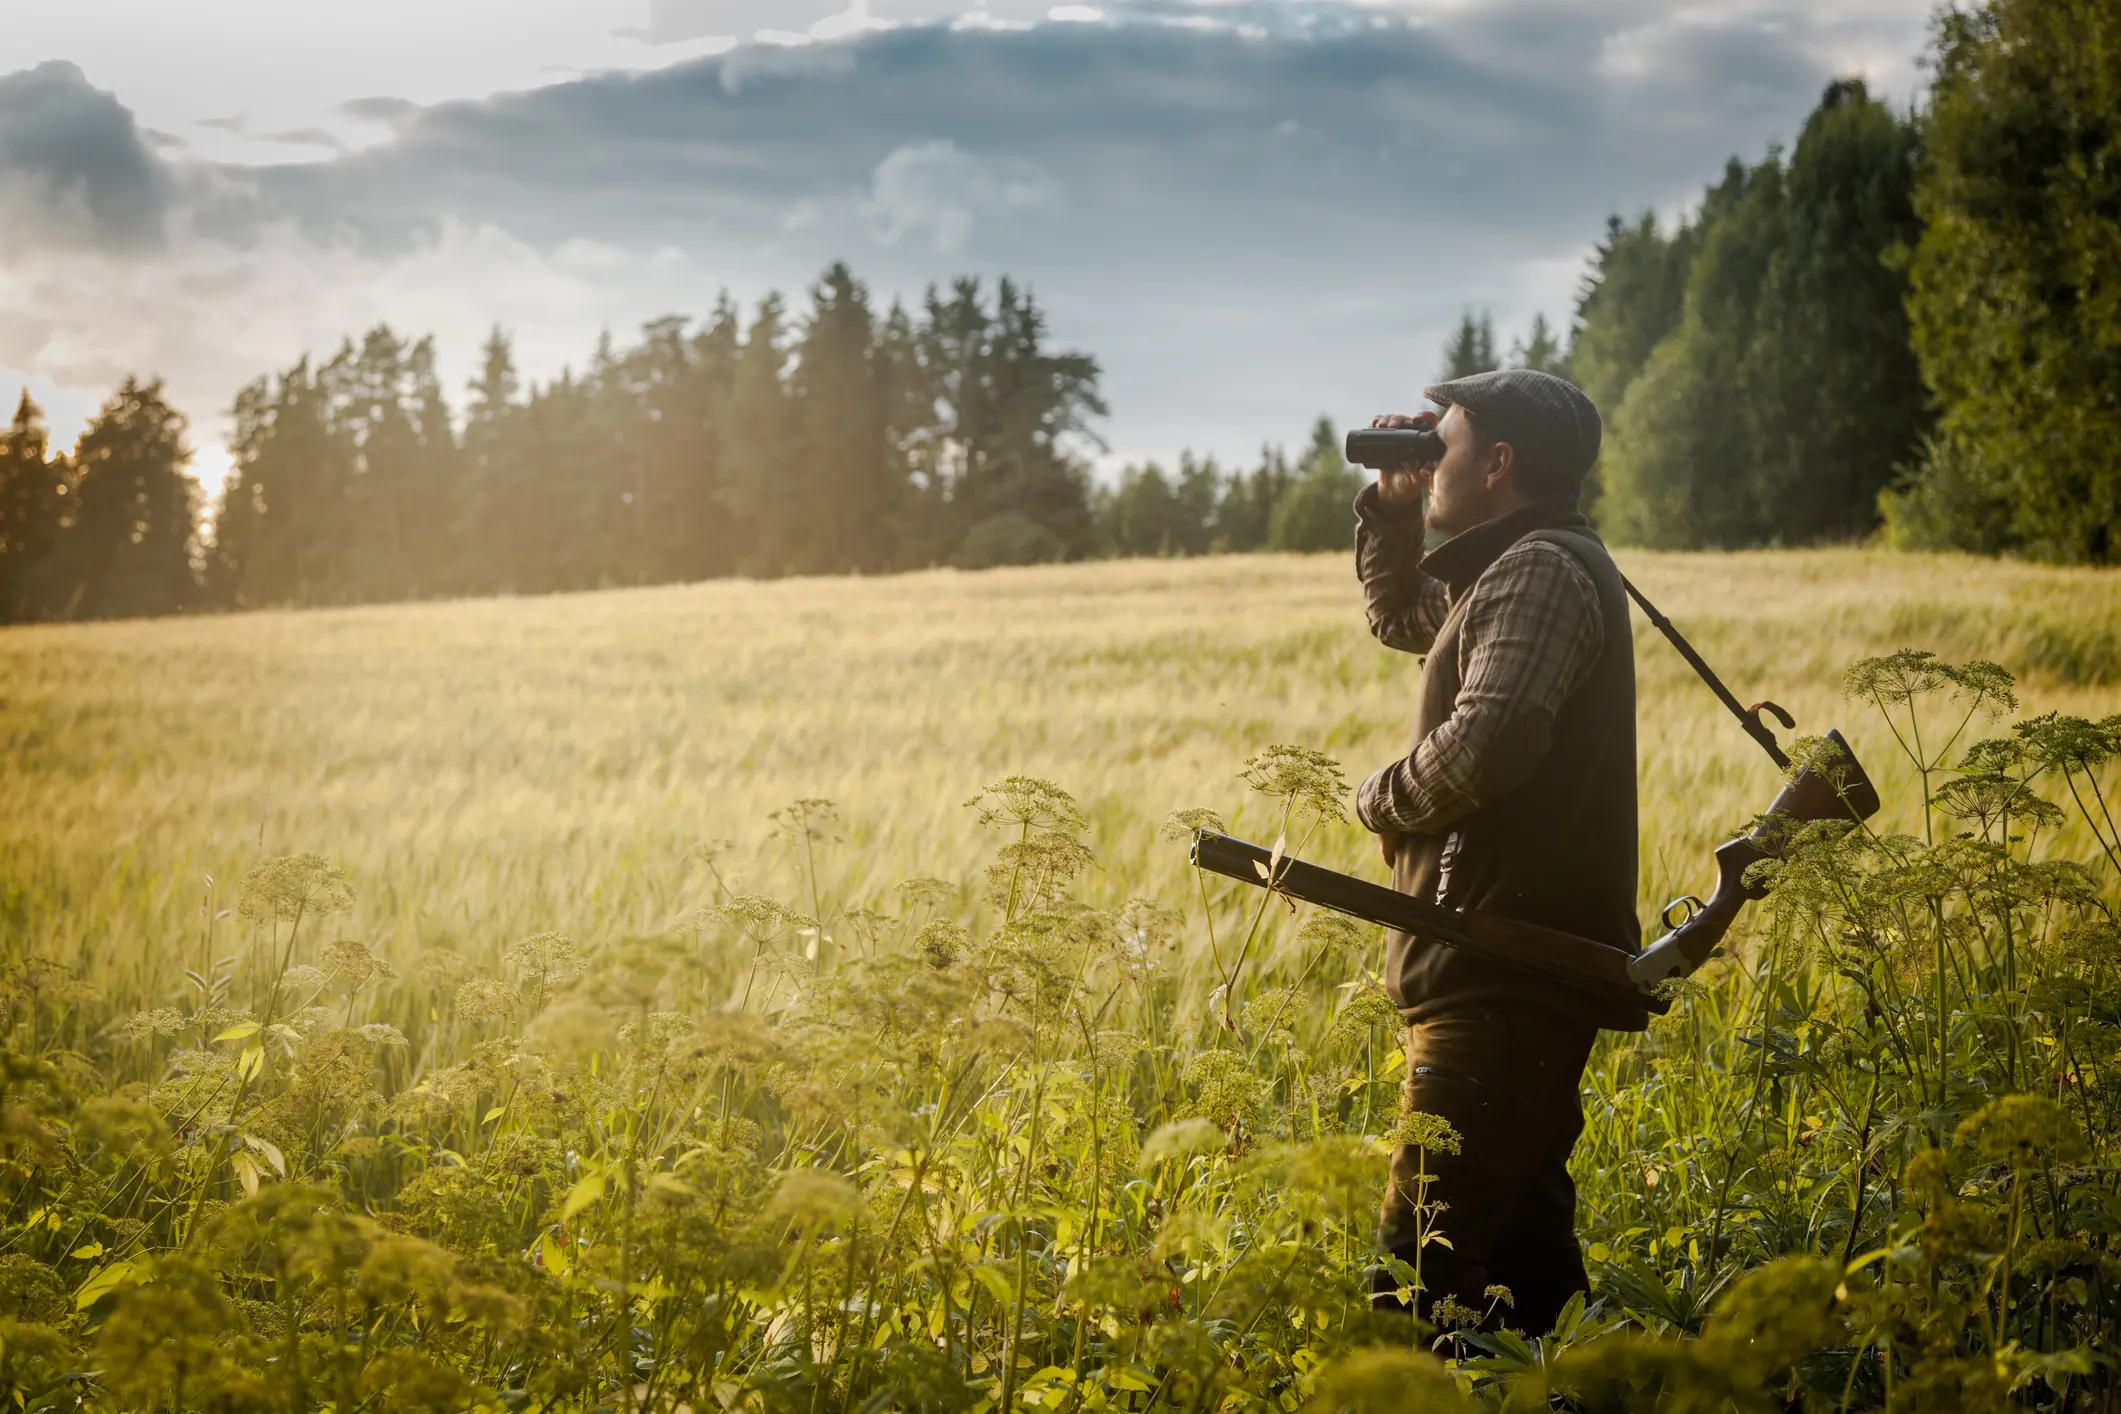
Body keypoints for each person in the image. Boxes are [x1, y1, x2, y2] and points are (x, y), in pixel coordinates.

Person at [1353, 368, 1649, 1336]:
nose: (1432, 458)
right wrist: (1398, 514)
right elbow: (1405, 622)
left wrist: (1382, 799)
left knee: (1419, 1270)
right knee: (1525, 1281)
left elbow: (1495, 737)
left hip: (1507, 970)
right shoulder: (1513, 569)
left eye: (1446, 441)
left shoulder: (1539, 571)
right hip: (1496, 962)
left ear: (1501, 461)